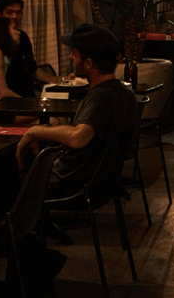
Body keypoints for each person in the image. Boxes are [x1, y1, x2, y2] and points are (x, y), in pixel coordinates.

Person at [15, 24, 139, 199]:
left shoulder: (100, 97)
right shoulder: (126, 93)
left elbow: (78, 138)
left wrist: (35, 131)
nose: (70, 56)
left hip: (70, 185)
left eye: (74, 53)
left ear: (88, 63)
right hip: (102, 185)